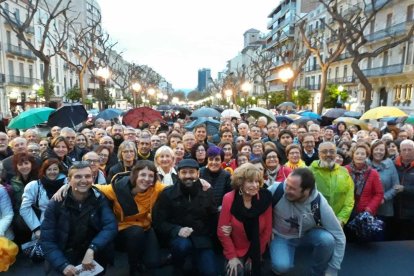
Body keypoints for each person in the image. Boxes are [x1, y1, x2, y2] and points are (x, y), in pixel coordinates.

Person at [40, 162, 117, 275]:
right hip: (64, 251)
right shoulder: (56, 203)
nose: (83, 180)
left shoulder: (99, 198)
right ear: (69, 180)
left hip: (92, 250)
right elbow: (47, 240)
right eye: (78, 176)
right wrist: (63, 265)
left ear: (93, 178)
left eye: (87, 176)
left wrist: (92, 248)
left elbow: (110, 227)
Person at [269, 168, 346, 276]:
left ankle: (317, 272)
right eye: (287, 185)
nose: (286, 190)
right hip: (281, 236)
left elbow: (339, 235)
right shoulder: (276, 190)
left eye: (292, 188)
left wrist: (333, 268)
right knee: (281, 267)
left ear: (306, 191)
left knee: (327, 240)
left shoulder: (318, 203)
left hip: (306, 235)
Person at [153, 159, 218, 275]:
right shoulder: (167, 193)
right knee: (182, 247)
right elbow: (159, 222)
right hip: (179, 239)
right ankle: (177, 263)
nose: (188, 176)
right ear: (178, 174)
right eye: (184, 172)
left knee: (210, 272)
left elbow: (213, 217)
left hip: (202, 239)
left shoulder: (207, 191)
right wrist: (177, 230)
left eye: (192, 172)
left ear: (198, 174)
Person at [217, 163, 272, 275]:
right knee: (235, 271)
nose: (255, 185)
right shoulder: (229, 198)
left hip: (257, 248)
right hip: (236, 248)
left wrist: (256, 255)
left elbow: (267, 230)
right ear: (240, 183)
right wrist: (232, 256)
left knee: (253, 270)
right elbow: (222, 232)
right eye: (250, 181)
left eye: (257, 181)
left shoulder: (265, 198)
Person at [20, 159, 67, 240]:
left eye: (55, 169)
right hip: (44, 226)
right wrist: (36, 228)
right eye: (49, 169)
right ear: (44, 171)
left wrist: (65, 186)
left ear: (60, 170)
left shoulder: (67, 183)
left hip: (66, 225)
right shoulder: (34, 186)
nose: (52, 172)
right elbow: (24, 208)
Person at [309, 142, 354, 226]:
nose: (328, 154)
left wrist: (341, 219)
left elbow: (349, 199)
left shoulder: (344, 172)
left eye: (332, 151)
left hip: (338, 222)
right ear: (319, 154)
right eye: (324, 151)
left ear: (336, 154)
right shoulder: (309, 172)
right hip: (315, 223)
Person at [345, 143, 384, 239]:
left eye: (363, 154)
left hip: (364, 213)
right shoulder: (345, 170)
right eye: (357, 153)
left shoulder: (373, 173)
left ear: (366, 156)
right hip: (347, 212)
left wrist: (369, 209)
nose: (360, 156)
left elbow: (379, 194)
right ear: (353, 155)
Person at [369, 140, 399, 240]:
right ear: (372, 151)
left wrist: (384, 198)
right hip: (367, 207)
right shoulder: (365, 164)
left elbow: (396, 186)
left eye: (381, 150)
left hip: (385, 207)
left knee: (381, 237)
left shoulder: (390, 164)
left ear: (385, 152)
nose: (379, 152)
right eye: (376, 149)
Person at [10, 152, 39, 245]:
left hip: (36, 213)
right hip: (20, 215)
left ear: (31, 164)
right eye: (20, 164)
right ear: (16, 167)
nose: (24, 166)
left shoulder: (39, 179)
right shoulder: (13, 181)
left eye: (26, 163)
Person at [393, 139, 414, 240]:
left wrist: (405, 189)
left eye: (409, 149)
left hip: (411, 213)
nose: (406, 152)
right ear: (400, 151)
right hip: (394, 211)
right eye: (404, 149)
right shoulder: (392, 165)